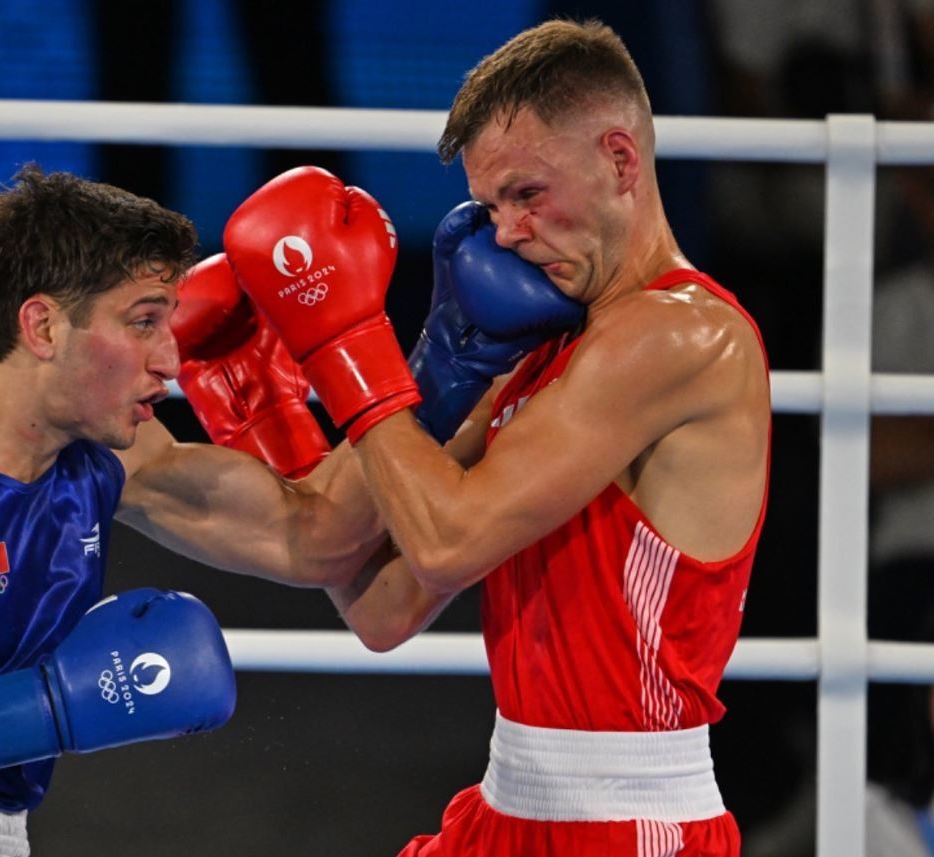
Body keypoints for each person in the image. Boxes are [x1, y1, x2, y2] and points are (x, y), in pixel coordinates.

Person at [223, 19, 771, 856]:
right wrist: (274, 411)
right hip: (505, 807)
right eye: (489, 206)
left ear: (620, 161)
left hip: (627, 823)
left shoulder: (679, 335)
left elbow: (445, 543)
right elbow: (381, 604)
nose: (506, 232)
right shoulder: (545, 349)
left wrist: (346, 343)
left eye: (527, 195)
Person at [0, 164, 391, 855]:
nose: (170, 360)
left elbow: (317, 538)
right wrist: (48, 710)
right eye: (144, 321)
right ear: (42, 325)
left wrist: (453, 358)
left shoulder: (110, 456)